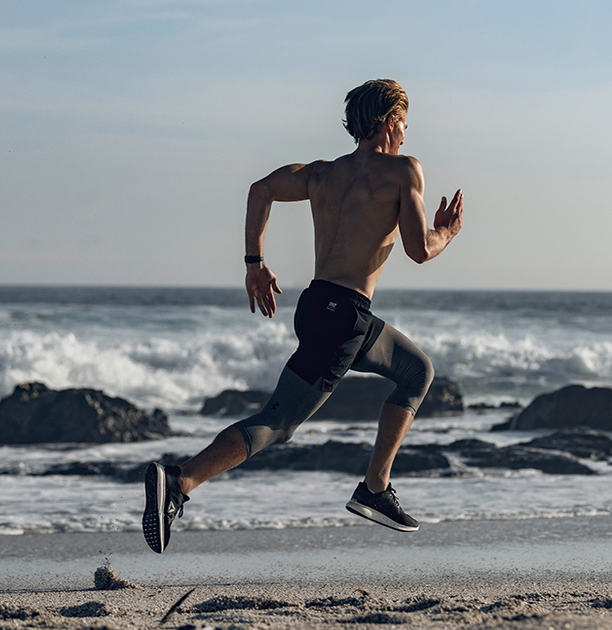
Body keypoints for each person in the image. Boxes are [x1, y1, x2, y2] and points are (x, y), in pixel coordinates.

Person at [143, 79, 464, 554]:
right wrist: (447, 232)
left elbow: (259, 190)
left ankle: (374, 489)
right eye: (404, 125)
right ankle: (180, 479)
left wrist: (254, 264)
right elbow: (419, 250)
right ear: (390, 120)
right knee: (279, 421)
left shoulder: (320, 174)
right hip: (344, 316)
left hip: (322, 306)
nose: (405, 135)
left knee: (417, 371)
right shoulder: (403, 171)